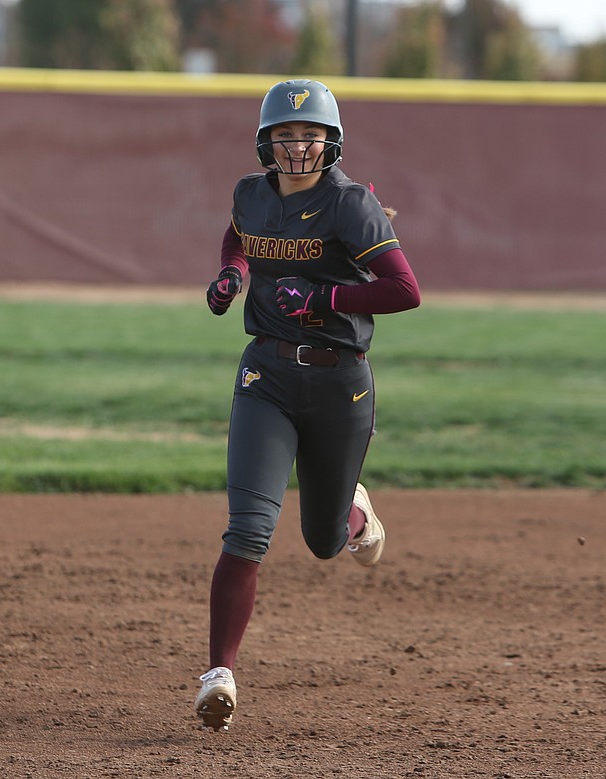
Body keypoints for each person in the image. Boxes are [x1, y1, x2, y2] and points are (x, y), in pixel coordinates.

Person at [195, 78, 421, 732]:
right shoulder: (252, 194)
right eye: (288, 135)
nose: (299, 145)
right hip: (264, 376)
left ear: (331, 141)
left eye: (311, 134)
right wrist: (233, 276)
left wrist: (326, 301)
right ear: (268, 142)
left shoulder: (351, 206)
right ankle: (219, 675)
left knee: (323, 541)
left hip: (338, 385)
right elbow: (239, 235)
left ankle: (354, 510)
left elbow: (404, 289)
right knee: (248, 531)